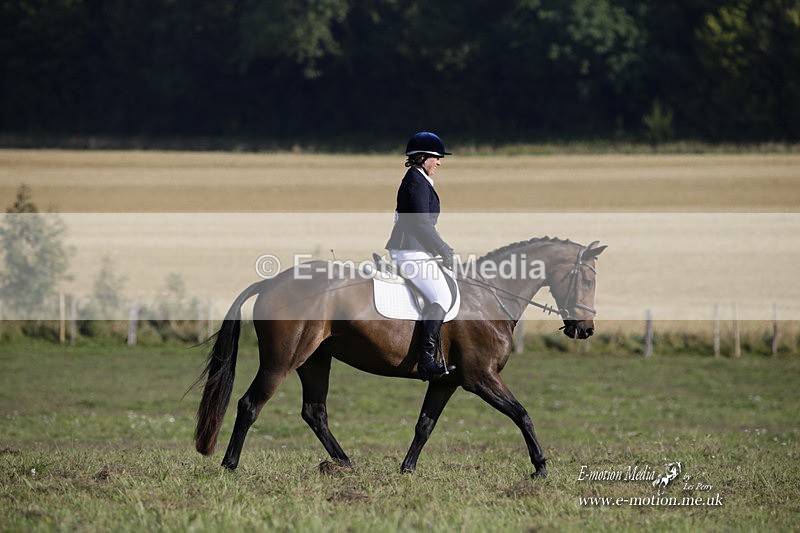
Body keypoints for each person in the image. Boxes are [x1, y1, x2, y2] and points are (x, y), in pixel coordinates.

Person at [386, 131, 457, 380]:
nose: (439, 163)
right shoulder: (416, 182)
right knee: (441, 296)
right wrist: (443, 249)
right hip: (409, 251)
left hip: (415, 249)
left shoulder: (419, 179)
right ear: (422, 158)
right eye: (436, 158)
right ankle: (427, 359)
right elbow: (420, 224)